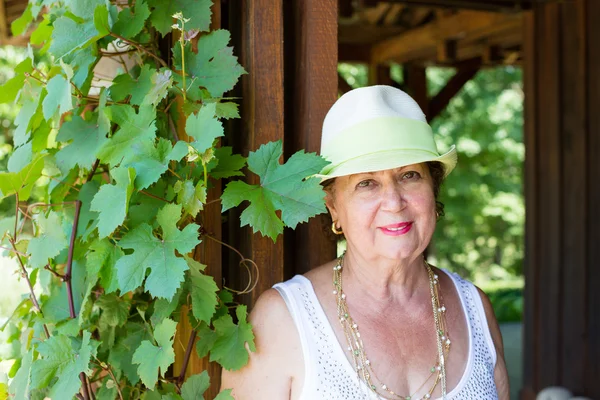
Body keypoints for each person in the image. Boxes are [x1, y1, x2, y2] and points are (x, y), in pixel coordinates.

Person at [221, 85, 510, 399]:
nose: (393, 201)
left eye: (410, 175)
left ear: (434, 189)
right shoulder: (281, 320)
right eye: (367, 183)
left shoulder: (475, 310)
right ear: (334, 207)